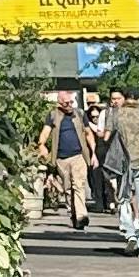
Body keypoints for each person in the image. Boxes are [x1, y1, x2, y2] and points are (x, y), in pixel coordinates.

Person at [110, 89, 139, 255]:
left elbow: (107, 136)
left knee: (123, 198)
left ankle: (130, 233)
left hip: (123, 163)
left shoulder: (116, 115)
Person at [44, 92, 95, 229]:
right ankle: (73, 213)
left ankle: (81, 216)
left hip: (78, 156)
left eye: (71, 102)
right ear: (59, 103)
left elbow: (89, 133)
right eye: (66, 103)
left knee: (79, 185)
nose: (69, 105)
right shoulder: (53, 116)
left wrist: (93, 153)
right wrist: (42, 145)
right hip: (61, 158)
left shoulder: (79, 114)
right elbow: (45, 134)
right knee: (68, 189)